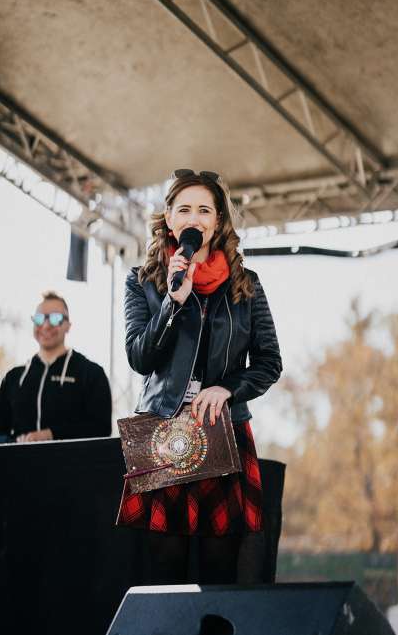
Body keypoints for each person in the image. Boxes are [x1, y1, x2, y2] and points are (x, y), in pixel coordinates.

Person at [117, 169, 282, 584]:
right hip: (163, 429)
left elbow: (269, 362)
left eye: (205, 210)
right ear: (169, 219)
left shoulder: (247, 285)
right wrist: (172, 302)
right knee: (164, 565)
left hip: (223, 427)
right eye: (185, 209)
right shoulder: (142, 281)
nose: (194, 218)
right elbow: (140, 357)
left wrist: (228, 388)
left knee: (218, 566)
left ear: (218, 220)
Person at [0, 291, 112, 442]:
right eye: (39, 319)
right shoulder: (14, 378)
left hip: (71, 458)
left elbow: (101, 428)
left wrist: (51, 435)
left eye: (55, 318)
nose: (45, 325)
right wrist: (16, 442)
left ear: (68, 326)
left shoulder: (90, 374)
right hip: (21, 458)